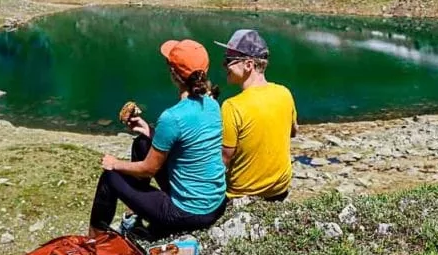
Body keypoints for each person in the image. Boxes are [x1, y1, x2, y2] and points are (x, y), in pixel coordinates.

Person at [89, 39, 227, 239]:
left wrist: (114, 164)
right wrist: (148, 129)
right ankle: (139, 211)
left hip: (188, 213)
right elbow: (187, 142)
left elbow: (149, 169)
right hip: (215, 202)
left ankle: (95, 240)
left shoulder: (172, 117)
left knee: (110, 177)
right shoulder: (212, 104)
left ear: (173, 74)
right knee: (143, 143)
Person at [216, 29, 298, 201]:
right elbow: (293, 131)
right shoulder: (284, 93)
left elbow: (223, 160)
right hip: (280, 191)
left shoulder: (232, 106)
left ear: (248, 65)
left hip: (242, 195)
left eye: (229, 61)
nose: (224, 66)